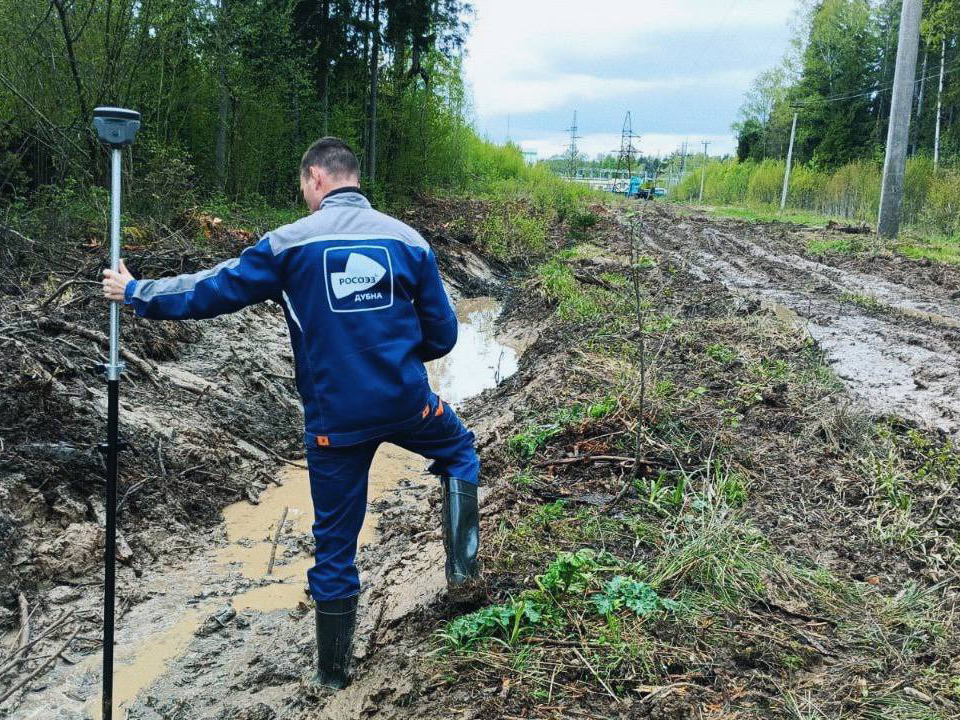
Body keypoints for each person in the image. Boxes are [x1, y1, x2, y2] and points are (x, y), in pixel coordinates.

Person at [101, 137, 480, 690]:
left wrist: (137, 291)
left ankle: (332, 676)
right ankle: (463, 573)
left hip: (333, 421)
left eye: (303, 185)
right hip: (407, 404)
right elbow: (443, 335)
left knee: (334, 543)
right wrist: (392, 355)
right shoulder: (409, 240)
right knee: (460, 450)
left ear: (316, 179)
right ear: (354, 178)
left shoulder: (287, 245)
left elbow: (212, 290)